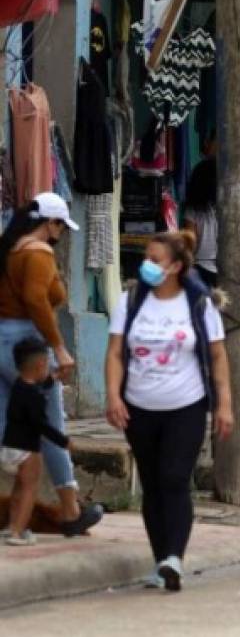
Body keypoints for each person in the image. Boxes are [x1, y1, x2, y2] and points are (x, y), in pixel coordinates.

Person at [105, 230, 234, 592]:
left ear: (177, 266)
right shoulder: (130, 301)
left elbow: (218, 355)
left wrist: (224, 404)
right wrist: (113, 396)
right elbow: (115, 352)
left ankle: (174, 557)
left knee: (175, 478)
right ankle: (160, 558)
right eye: (146, 257)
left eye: (156, 260)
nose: (147, 265)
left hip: (186, 405)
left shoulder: (199, 303)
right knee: (152, 484)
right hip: (138, 406)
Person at [0, 193, 102, 536]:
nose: (61, 234)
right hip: (26, 344)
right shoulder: (37, 253)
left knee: (6, 423)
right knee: (50, 424)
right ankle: (70, 507)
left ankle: (17, 520)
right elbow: (36, 300)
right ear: (51, 223)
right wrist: (59, 348)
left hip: (3, 341)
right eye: (61, 226)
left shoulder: (10, 249)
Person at [0, 337, 71, 546]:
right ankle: (17, 532)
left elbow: (37, 387)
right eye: (48, 365)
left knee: (18, 486)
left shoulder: (18, 387)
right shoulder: (36, 397)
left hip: (9, 446)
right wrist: (63, 441)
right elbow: (42, 424)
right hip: (28, 448)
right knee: (30, 488)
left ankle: (11, 525)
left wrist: (52, 378)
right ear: (41, 364)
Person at [182, 136, 218, 288]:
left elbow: (190, 243)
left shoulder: (192, 210)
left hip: (200, 268)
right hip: (223, 267)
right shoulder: (225, 208)